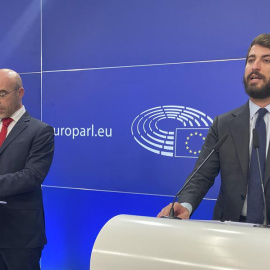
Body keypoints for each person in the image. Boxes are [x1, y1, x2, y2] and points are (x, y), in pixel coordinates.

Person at [158, 33, 270, 224]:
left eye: (266, 60)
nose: (255, 66)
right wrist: (185, 205)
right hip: (229, 230)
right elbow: (201, 175)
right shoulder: (224, 124)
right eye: (251, 60)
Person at [0, 69, 54, 270]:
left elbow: (32, 176)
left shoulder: (40, 131)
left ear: (19, 93)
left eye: (2, 93)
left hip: (20, 237)